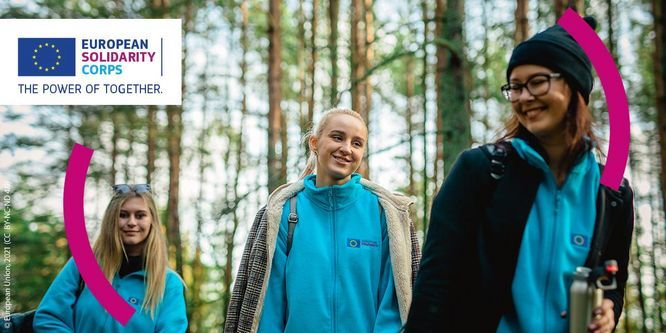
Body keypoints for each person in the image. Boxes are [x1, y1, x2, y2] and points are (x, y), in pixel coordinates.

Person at [405, 17, 634, 333]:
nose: (524, 97)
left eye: (537, 82)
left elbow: (614, 279)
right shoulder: (481, 171)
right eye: (515, 86)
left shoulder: (613, 192)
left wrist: (608, 307)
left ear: (575, 85)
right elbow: (435, 283)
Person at [225, 108, 421, 333]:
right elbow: (268, 306)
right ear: (314, 143)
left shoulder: (385, 213)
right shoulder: (283, 212)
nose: (346, 149)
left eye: (357, 143)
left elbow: (394, 304)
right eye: (337, 137)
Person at [34, 184, 188, 332]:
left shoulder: (168, 283)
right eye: (123, 215)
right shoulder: (83, 265)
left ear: (152, 221)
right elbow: (49, 318)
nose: (132, 222)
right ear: (111, 220)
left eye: (140, 215)